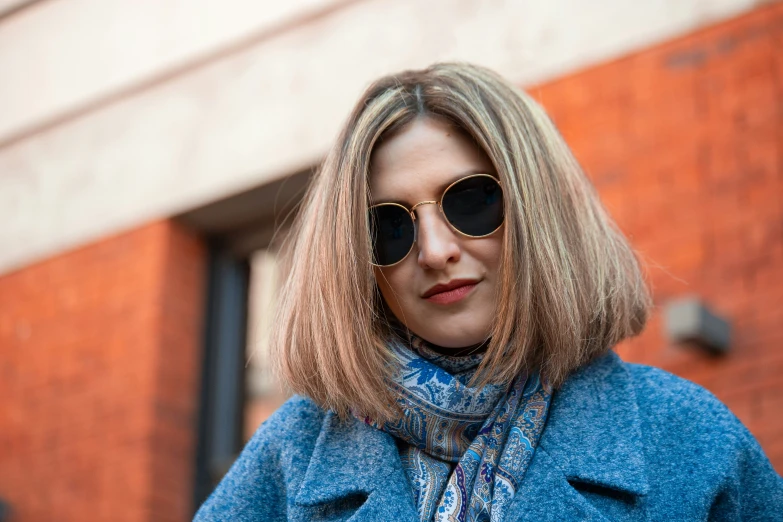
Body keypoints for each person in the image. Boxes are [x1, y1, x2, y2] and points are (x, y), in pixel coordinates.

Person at [194, 62, 783, 521]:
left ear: (540, 213)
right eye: (389, 226)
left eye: (472, 201)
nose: (434, 250)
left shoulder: (690, 439)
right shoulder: (290, 455)